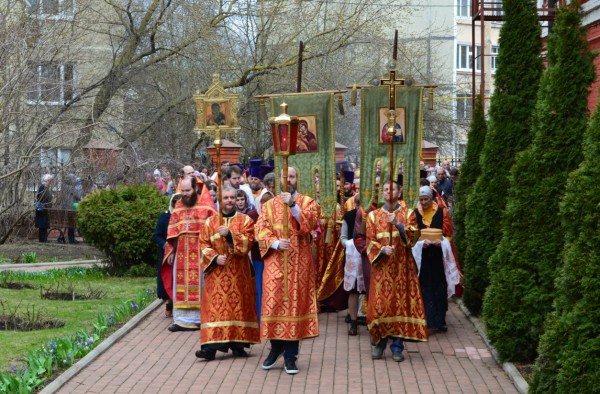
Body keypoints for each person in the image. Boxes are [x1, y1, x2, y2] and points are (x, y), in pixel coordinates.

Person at [255, 167, 319, 375]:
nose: (288, 180)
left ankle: (291, 357)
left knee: (294, 308)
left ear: (297, 179)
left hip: (299, 265)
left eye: (292, 176)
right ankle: (276, 348)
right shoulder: (269, 205)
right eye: (285, 177)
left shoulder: (307, 202)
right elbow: (260, 229)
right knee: (274, 305)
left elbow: (310, 225)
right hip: (275, 263)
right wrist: (273, 243)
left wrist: (293, 206)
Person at [365, 180, 428, 362]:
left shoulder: (408, 213)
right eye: (385, 189)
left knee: (400, 306)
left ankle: (397, 347)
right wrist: (381, 250)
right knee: (380, 308)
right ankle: (379, 342)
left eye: (392, 188)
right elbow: (369, 240)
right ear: (381, 193)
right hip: (382, 269)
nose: (388, 192)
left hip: (402, 269)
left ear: (399, 191)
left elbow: (413, 236)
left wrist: (399, 224)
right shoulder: (373, 216)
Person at [195, 186, 259, 360]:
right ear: (221, 200)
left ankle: (239, 345)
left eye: (233, 197)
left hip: (239, 274)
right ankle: (209, 349)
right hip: (216, 274)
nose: (230, 200)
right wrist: (215, 258)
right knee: (214, 309)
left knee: (238, 308)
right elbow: (202, 244)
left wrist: (230, 234)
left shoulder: (245, 221)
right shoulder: (210, 222)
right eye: (227, 198)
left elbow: (248, 243)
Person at [161, 177, 217, 332]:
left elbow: (214, 228)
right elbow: (172, 231)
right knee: (180, 284)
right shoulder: (179, 205)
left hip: (200, 252)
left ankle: (200, 319)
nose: (185, 194)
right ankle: (181, 320)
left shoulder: (206, 205)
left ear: (195, 189)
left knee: (200, 284)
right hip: (181, 254)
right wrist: (171, 249)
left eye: (188, 191)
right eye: (182, 191)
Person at [408, 186, 460, 332]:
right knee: (423, 285)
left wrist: (442, 242)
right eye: (421, 200)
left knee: (439, 285)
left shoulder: (442, 212)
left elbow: (448, 233)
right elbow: (411, 235)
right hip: (422, 256)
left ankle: (440, 319)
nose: (424, 202)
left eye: (426, 199)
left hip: (437, 255)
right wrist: (419, 244)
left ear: (432, 199)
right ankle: (425, 318)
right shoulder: (414, 213)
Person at [153, 193, 182, 318]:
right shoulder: (165, 216)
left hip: (183, 253)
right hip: (167, 254)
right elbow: (157, 235)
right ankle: (169, 303)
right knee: (169, 279)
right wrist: (166, 245)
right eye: (176, 204)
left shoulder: (186, 217)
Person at [35, 174, 54, 243]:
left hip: (44, 209)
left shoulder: (44, 187)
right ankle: (43, 240)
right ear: (47, 180)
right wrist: (50, 197)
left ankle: (43, 239)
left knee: (44, 225)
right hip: (42, 209)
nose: (50, 183)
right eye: (49, 181)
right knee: (42, 225)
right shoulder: (42, 187)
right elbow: (42, 197)